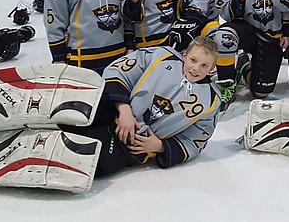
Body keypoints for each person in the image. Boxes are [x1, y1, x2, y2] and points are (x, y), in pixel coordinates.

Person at [60, 35, 222, 176]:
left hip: (135, 143)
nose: (196, 69)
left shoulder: (211, 100)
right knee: (75, 115)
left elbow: (196, 139)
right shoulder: (161, 56)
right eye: (193, 60)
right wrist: (124, 110)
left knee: (95, 165)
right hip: (113, 113)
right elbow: (118, 71)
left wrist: (160, 146)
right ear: (184, 55)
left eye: (204, 65)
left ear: (212, 68)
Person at [210, 0, 286, 108]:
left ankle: (244, 65)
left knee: (261, 92)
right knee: (224, 36)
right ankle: (226, 84)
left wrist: (287, 31)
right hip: (245, 30)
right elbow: (225, 14)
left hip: (269, 34)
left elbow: (288, 4)